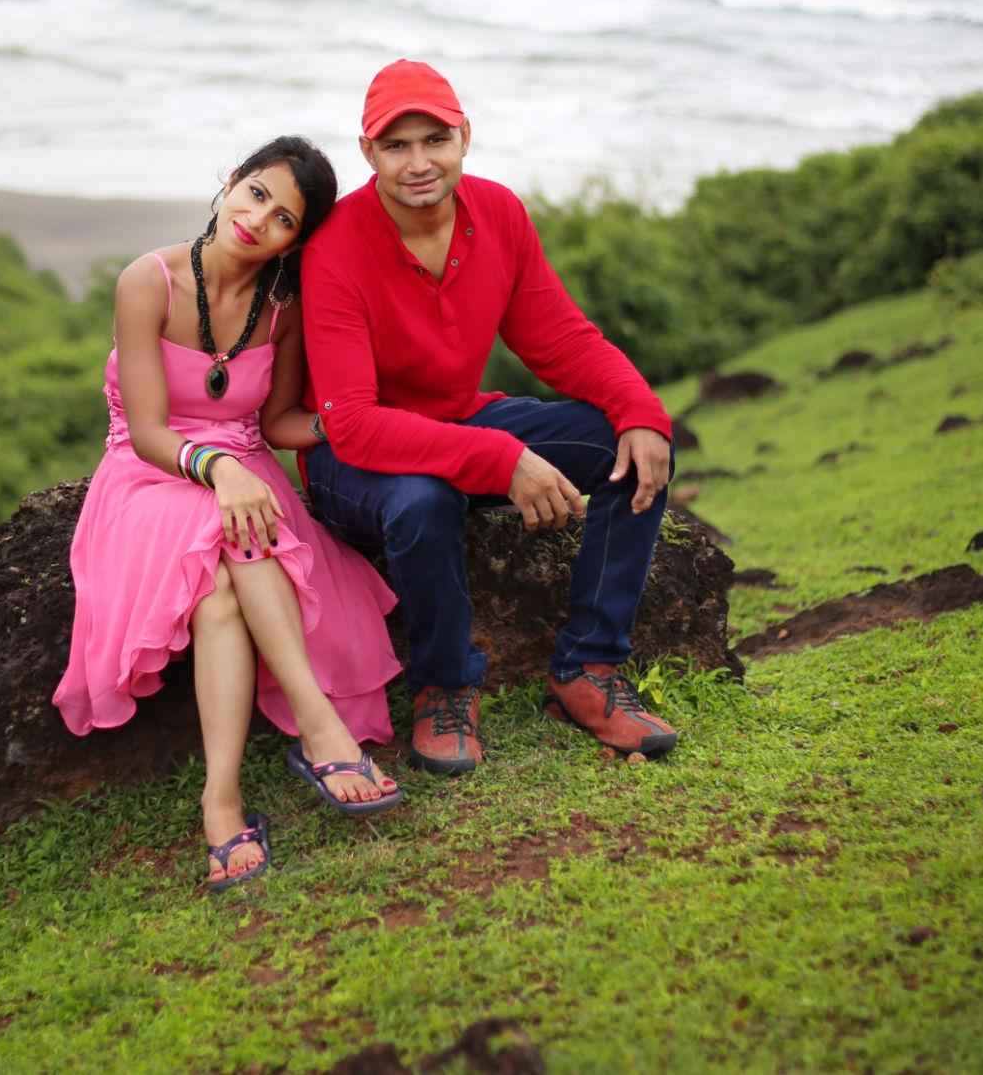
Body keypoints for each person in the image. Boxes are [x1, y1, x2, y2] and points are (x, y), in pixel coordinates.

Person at [300, 60, 680, 776]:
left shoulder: (498, 211)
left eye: (435, 139)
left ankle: (587, 670)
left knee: (625, 444)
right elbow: (351, 423)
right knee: (423, 499)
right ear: (366, 153)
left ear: (465, 136)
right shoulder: (336, 248)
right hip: (354, 463)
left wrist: (640, 407)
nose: (419, 162)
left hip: (463, 420)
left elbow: (559, 338)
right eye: (396, 145)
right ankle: (445, 686)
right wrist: (502, 459)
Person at [53, 137, 405, 892]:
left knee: (219, 587)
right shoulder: (147, 281)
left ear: (295, 241)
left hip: (245, 467)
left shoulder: (283, 310)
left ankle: (224, 802)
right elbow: (147, 429)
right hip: (153, 474)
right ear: (230, 184)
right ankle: (316, 733)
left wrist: (356, 421)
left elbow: (278, 420)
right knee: (236, 524)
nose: (259, 220)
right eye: (256, 194)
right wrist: (217, 470)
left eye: (285, 219)